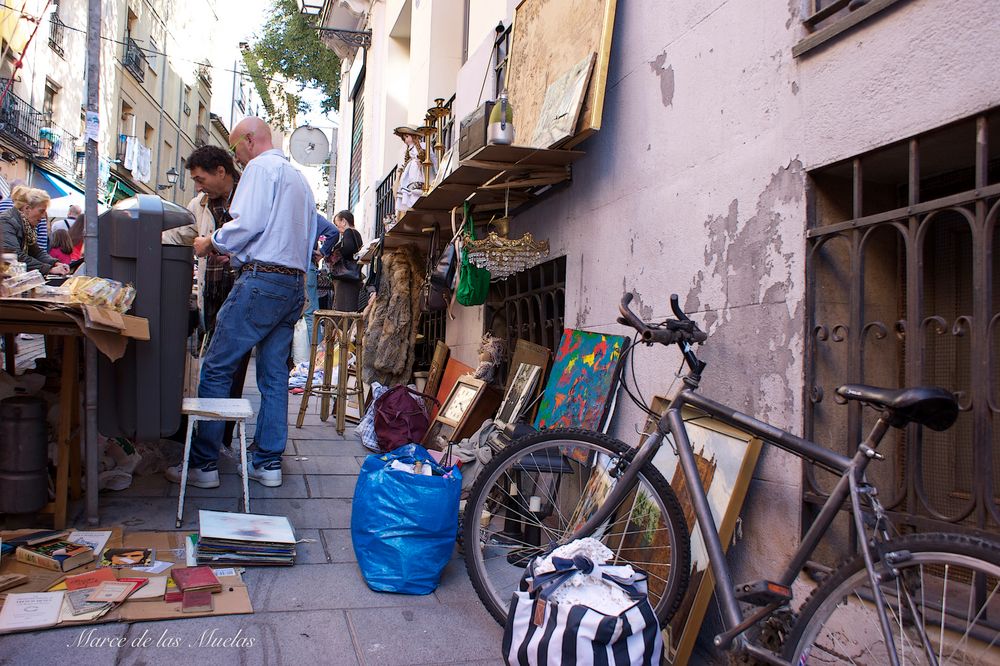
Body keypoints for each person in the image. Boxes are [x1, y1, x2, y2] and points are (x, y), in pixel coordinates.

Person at [165, 117, 316, 489]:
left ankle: (204, 464)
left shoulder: (260, 169)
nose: (236, 157)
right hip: (292, 283)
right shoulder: (299, 180)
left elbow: (247, 223)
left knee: (216, 366)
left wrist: (213, 242)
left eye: (234, 148)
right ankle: (267, 463)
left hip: (263, 280)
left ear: (249, 140)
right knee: (274, 375)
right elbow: (299, 235)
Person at [161, 145, 249, 449]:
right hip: (211, 293)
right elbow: (180, 234)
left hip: (243, 288)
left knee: (228, 366)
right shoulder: (198, 204)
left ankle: (215, 444)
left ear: (221, 172)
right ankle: (211, 435)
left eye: (201, 178)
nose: (198, 186)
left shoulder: (249, 196)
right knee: (215, 362)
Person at [0, 186, 70, 275]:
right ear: (27, 208)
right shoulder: (6, 221)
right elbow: (15, 256)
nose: (43, 216)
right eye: (41, 211)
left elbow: (36, 252)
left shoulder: (25, 225)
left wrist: (55, 263)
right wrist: (49, 269)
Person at [330, 209, 363, 311]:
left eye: (337, 224)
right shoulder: (356, 234)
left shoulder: (348, 232)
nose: (337, 228)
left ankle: (343, 328)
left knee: (342, 308)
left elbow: (347, 249)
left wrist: (334, 254)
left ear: (343, 221)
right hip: (353, 277)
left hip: (345, 278)